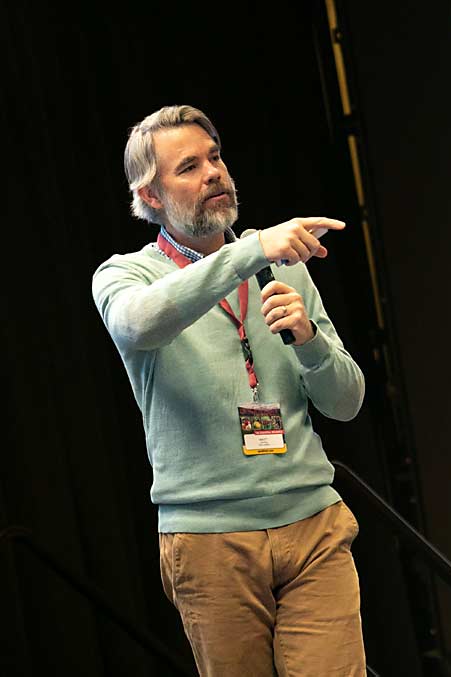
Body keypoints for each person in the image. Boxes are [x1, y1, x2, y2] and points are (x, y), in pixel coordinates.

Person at [92, 105, 367, 676]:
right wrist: (252, 251)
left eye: (215, 157)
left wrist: (310, 341)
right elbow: (139, 324)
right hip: (210, 539)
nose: (213, 172)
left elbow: (347, 402)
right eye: (189, 166)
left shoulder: (286, 268)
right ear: (151, 196)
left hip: (312, 523)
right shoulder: (125, 275)